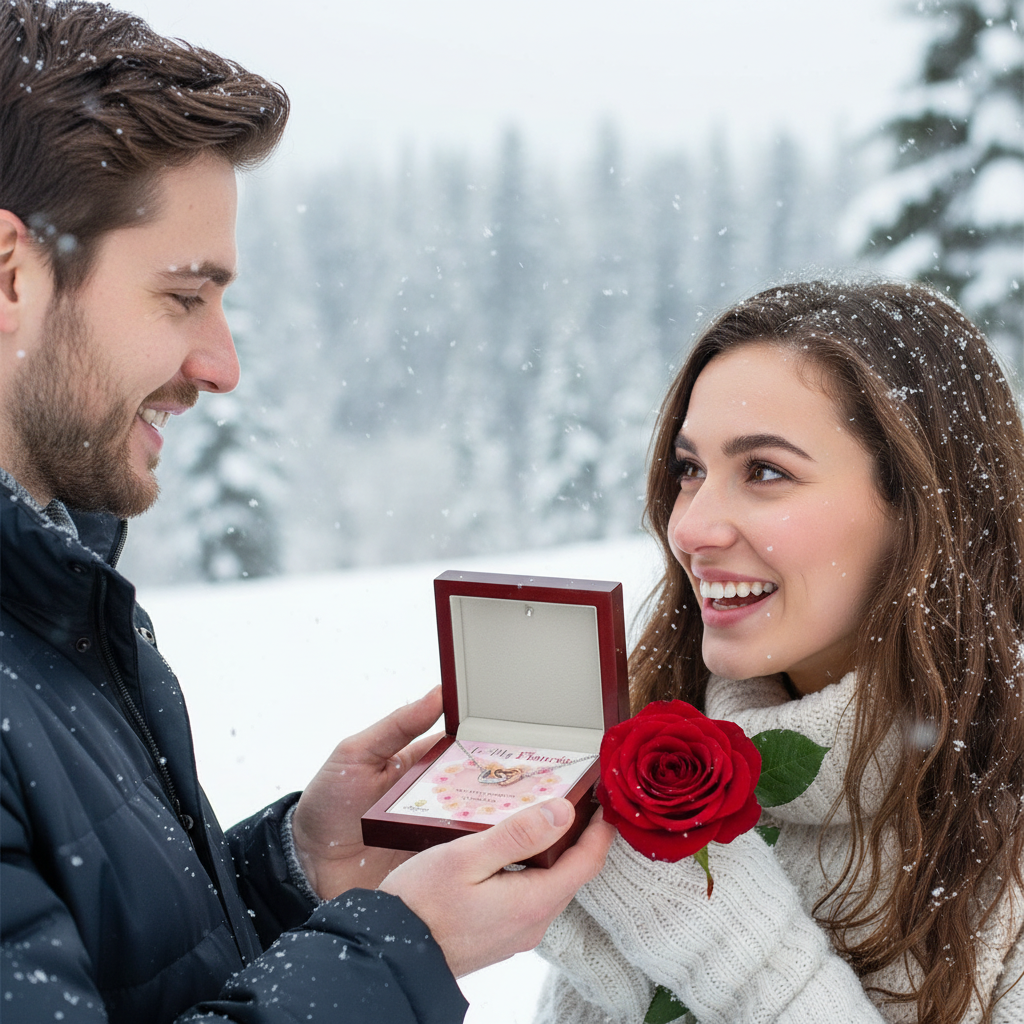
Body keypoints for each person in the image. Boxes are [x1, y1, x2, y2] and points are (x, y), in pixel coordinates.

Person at [0, 3, 613, 1022]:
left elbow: (107, 975)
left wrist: (297, 870)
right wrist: (395, 952)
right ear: (11, 272)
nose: (221, 365)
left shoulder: (51, 598)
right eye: (182, 296)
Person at [534, 279, 1024, 1024]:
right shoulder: (643, 789)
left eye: (765, 471)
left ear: (921, 508)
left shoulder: (1004, 848)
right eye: (690, 469)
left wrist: (724, 950)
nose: (690, 527)